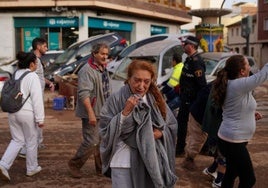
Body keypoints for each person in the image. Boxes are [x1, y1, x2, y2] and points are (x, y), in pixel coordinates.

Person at [99, 60, 178, 188]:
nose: (141, 86)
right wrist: (125, 113)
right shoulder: (116, 99)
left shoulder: (156, 100)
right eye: (137, 80)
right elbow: (104, 130)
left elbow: (171, 125)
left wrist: (161, 133)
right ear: (129, 78)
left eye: (146, 81)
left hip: (150, 163)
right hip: (122, 163)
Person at [212, 54, 268, 188]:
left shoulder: (236, 85)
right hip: (233, 141)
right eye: (248, 64)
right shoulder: (238, 84)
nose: (250, 66)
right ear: (242, 71)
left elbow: (237, 106)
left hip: (232, 139)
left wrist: (250, 113)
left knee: (231, 173)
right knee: (249, 180)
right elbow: (262, 76)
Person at [68, 43, 111, 178]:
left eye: (106, 54)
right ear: (94, 54)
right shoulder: (87, 70)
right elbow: (83, 94)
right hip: (92, 112)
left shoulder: (102, 68)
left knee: (101, 141)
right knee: (91, 141)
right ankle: (74, 164)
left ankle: (101, 168)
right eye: (102, 54)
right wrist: (91, 114)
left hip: (102, 111)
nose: (105, 56)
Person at [0, 51, 45, 181]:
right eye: (36, 63)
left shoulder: (15, 74)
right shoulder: (32, 76)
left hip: (13, 112)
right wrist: (40, 119)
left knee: (17, 140)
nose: (36, 65)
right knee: (31, 140)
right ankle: (32, 168)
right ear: (31, 64)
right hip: (27, 113)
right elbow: (37, 99)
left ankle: (3, 165)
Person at [19, 38, 54, 158]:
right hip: (34, 96)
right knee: (35, 122)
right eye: (45, 46)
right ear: (38, 47)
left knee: (35, 121)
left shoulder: (37, 60)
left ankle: (35, 144)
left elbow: (39, 76)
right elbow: (30, 76)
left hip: (36, 94)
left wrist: (49, 82)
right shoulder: (33, 60)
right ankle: (26, 150)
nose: (46, 48)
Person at [176, 36, 207, 156]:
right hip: (185, 97)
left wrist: (198, 102)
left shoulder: (196, 62)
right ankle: (181, 148)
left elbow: (201, 84)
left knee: (186, 124)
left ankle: (180, 150)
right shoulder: (189, 60)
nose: (183, 46)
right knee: (183, 123)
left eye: (186, 44)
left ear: (192, 46)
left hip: (191, 99)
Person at [181, 83, 211, 170]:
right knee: (197, 139)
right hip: (199, 115)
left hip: (203, 113)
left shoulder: (217, 85)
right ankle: (189, 159)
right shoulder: (216, 88)